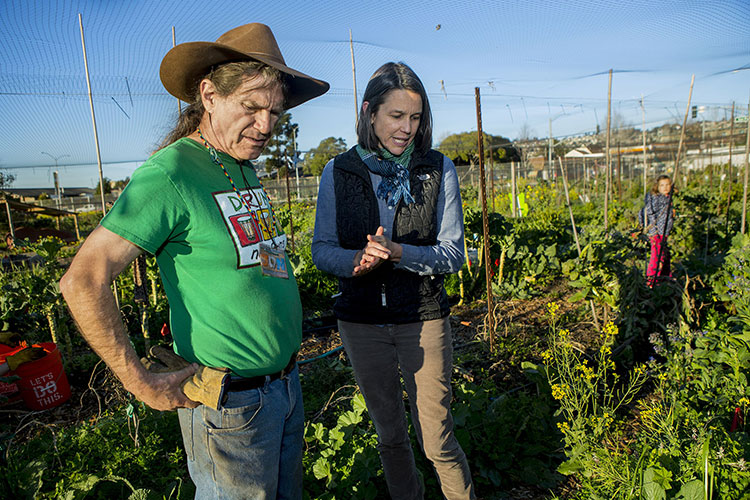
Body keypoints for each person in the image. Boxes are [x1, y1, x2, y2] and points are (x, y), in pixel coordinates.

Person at [60, 23, 328, 499]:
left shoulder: (241, 164)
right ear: (209, 95)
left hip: (283, 389)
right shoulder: (172, 173)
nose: (266, 126)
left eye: (274, 112)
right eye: (251, 107)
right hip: (229, 406)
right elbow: (83, 279)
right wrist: (141, 383)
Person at [312, 62, 475, 500]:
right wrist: (356, 262)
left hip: (421, 317)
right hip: (361, 322)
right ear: (370, 113)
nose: (407, 128)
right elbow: (322, 249)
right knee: (390, 437)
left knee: (437, 441)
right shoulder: (339, 171)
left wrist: (401, 254)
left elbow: (453, 253)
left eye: (415, 117)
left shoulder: (437, 169)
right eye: (396, 116)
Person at [640, 174, 675, 286]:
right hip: (657, 232)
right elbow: (648, 211)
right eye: (662, 185)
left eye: (667, 184)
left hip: (663, 232)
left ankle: (664, 278)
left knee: (665, 255)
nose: (665, 187)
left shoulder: (667, 197)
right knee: (657, 257)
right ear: (657, 187)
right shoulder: (656, 198)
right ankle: (651, 281)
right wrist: (652, 229)